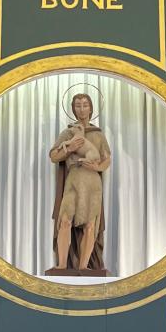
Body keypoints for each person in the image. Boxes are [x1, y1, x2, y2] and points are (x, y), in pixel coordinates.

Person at [49, 92, 111, 271]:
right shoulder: (68, 132)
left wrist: (97, 168)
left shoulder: (98, 134)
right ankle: (61, 265)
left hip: (92, 182)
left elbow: (106, 159)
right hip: (74, 180)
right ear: (73, 109)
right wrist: (69, 149)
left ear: (91, 108)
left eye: (85, 105)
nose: (82, 109)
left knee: (91, 224)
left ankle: (84, 266)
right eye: (78, 105)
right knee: (65, 220)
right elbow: (54, 156)